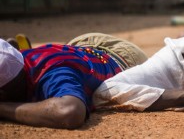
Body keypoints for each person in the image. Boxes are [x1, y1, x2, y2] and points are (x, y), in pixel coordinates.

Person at [0, 34, 147, 129]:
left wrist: (3, 108)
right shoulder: (14, 57)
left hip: (124, 56)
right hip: (76, 46)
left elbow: (70, 111)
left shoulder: (56, 75)